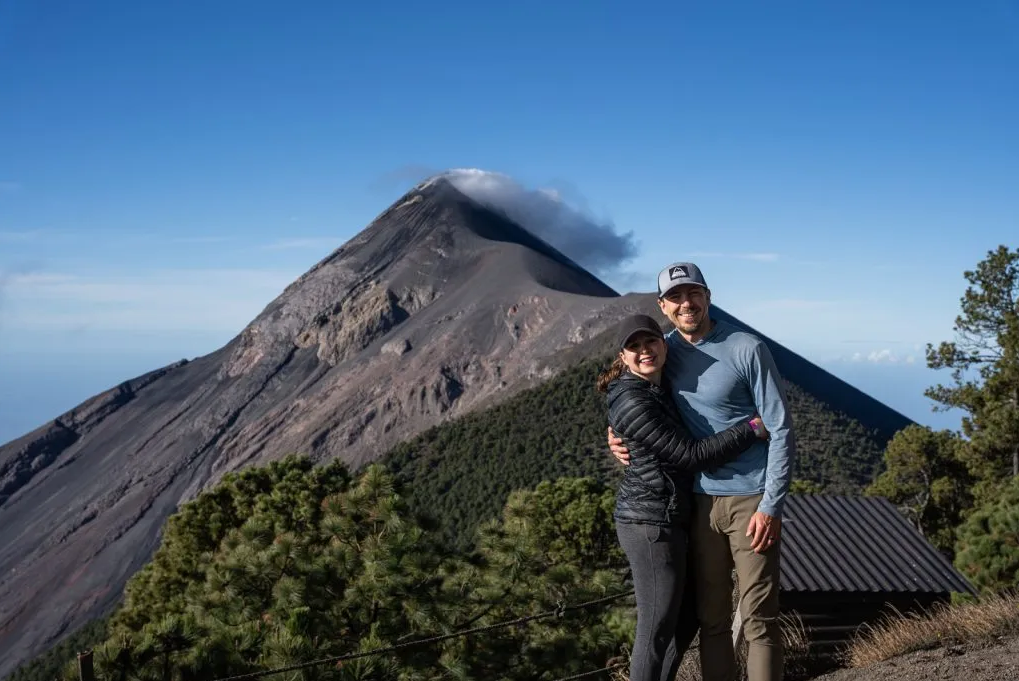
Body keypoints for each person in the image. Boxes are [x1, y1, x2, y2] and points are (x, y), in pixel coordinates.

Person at [608, 262, 796, 681]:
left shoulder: (746, 348)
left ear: (708, 296)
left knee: (758, 618)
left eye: (693, 293)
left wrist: (772, 505)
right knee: (710, 620)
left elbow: (781, 427)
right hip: (698, 503)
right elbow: (628, 391)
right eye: (675, 297)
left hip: (751, 500)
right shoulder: (666, 349)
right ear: (664, 306)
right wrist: (614, 434)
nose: (686, 303)